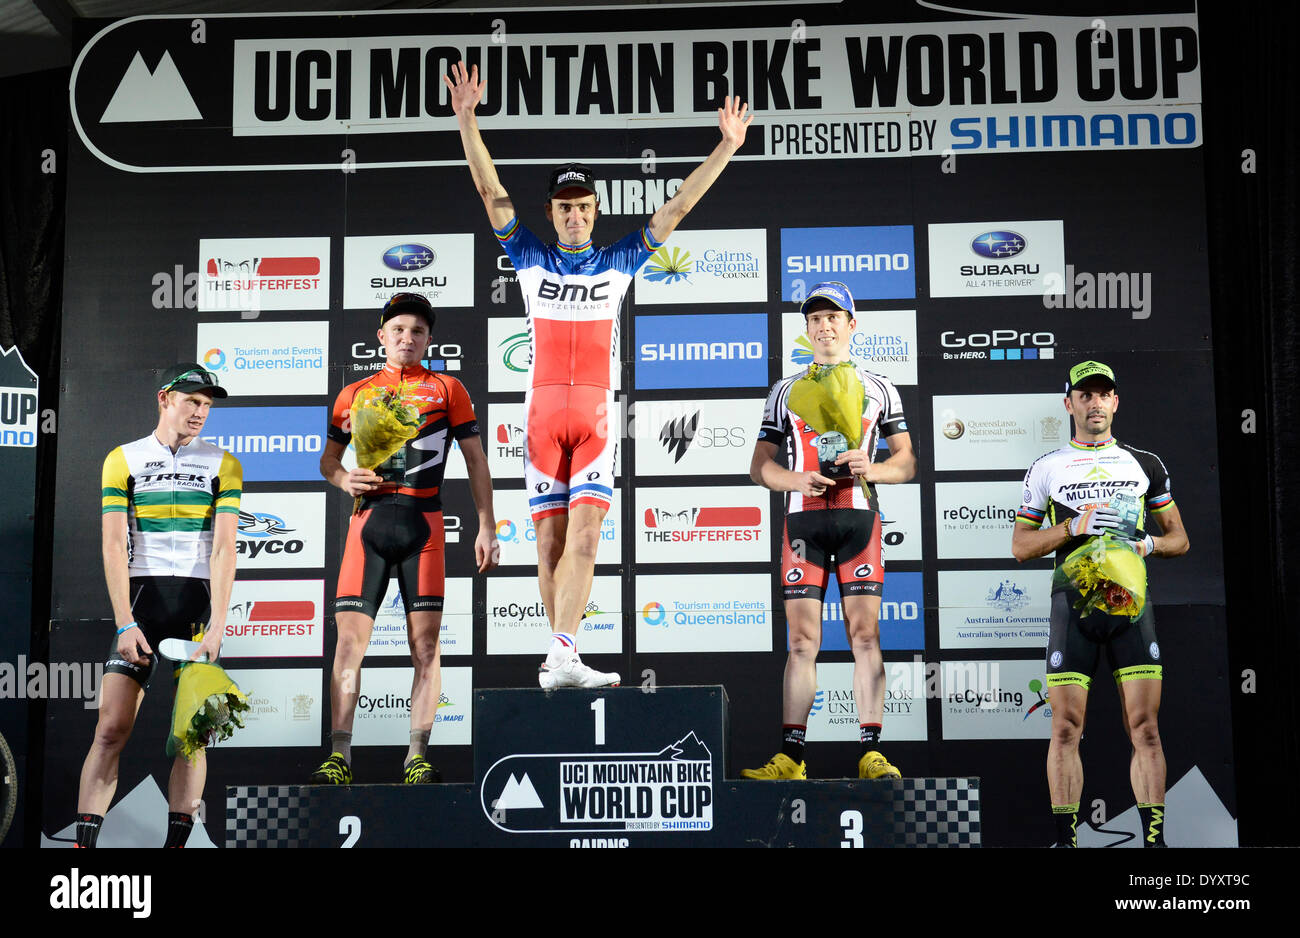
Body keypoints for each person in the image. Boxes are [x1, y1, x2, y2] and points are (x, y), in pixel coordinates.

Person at [444, 60, 752, 689]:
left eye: (584, 206)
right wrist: (468, 121)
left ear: (595, 210)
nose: (575, 216)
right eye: (565, 207)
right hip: (540, 418)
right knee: (550, 547)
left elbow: (679, 205)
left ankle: (561, 655)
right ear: (553, 213)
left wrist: (725, 147)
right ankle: (559, 655)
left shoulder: (619, 261)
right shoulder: (528, 254)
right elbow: (489, 190)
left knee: (586, 541)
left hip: (594, 418)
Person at [310, 293, 497, 785]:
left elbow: (477, 462)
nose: (407, 339)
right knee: (349, 644)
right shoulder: (354, 394)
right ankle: (339, 757)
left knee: (426, 646)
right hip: (366, 526)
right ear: (381, 337)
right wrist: (343, 479)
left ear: (429, 339)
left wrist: (488, 526)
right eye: (398, 330)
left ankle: (417, 755)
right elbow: (328, 461)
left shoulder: (448, 389)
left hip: (425, 525)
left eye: (416, 331)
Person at [742, 282, 916, 781]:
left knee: (865, 635)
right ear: (807, 329)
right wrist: (795, 479)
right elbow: (759, 467)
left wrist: (873, 466)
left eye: (833, 317)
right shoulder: (785, 389)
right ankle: (792, 757)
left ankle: (871, 751)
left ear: (851, 325)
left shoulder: (879, 385)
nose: (823, 326)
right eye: (815, 319)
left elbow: (906, 462)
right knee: (801, 642)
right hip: (803, 522)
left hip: (858, 519)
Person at [1011, 360, 1189, 847]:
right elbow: (1022, 547)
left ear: (1115, 402)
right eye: (1084, 395)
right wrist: (1072, 527)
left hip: (1132, 609)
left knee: (1145, 729)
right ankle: (1066, 841)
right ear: (1068, 404)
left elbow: (1179, 539)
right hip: (1073, 608)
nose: (1094, 403)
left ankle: (1155, 842)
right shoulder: (1047, 467)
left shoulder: (1144, 464)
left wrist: (1145, 546)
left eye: (1102, 394)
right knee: (1065, 729)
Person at [76, 363, 241, 848]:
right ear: (164, 398)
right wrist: (124, 622)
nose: (201, 412)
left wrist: (216, 629)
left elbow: (224, 549)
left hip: (195, 610)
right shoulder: (122, 459)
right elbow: (112, 544)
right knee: (110, 728)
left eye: (208, 404)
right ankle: (83, 851)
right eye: (192, 401)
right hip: (142, 608)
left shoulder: (223, 463)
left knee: (194, 736)